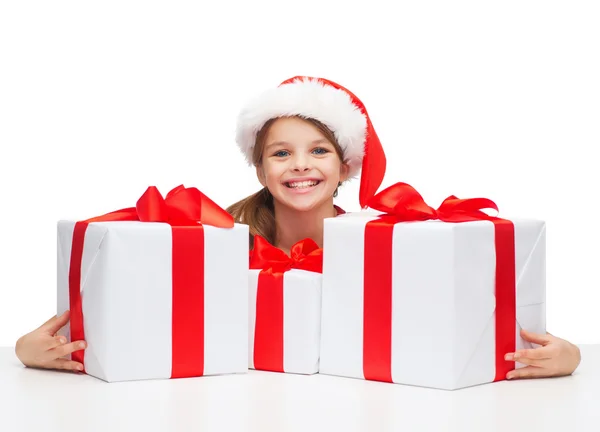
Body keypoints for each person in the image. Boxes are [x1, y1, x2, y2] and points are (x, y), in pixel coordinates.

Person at [15, 76, 581, 380]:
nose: (300, 165)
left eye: (318, 151)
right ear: (260, 168)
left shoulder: (387, 247)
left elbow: (458, 321)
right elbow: (133, 314)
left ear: (345, 166)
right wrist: (29, 350)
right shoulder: (214, 241)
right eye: (281, 153)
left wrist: (567, 358)